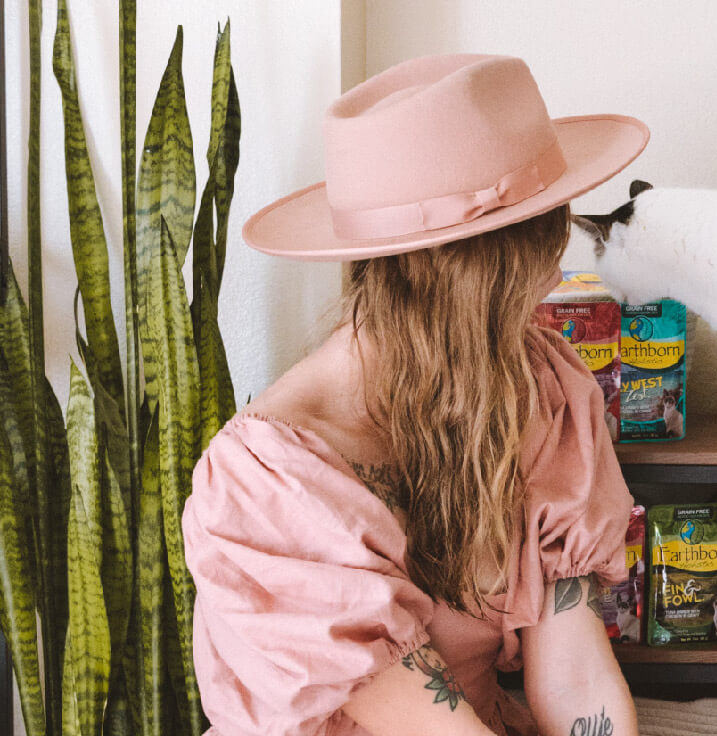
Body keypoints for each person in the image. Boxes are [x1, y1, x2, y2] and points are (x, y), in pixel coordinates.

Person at [182, 54, 650, 736]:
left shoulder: (538, 387)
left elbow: (577, 679)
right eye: (536, 267)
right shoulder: (265, 484)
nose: (554, 283)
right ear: (475, 281)